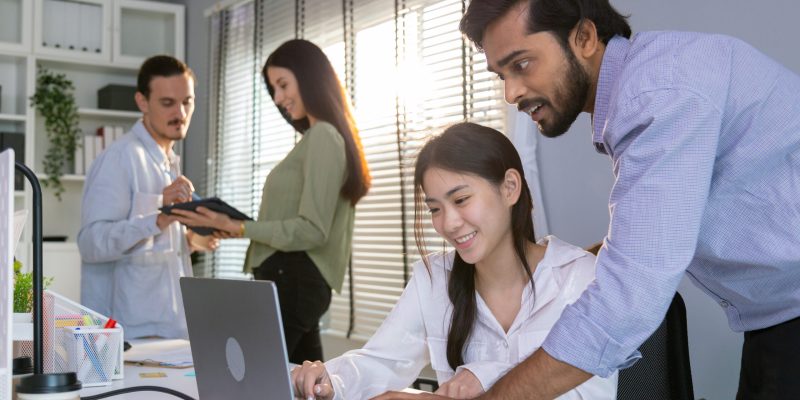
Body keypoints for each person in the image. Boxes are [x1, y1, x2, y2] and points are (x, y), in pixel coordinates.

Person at [445, 0, 800, 399]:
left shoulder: (657, 94)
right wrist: (571, 264)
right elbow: (655, 231)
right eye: (501, 75)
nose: (511, 93)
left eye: (522, 64)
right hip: (776, 318)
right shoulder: (654, 81)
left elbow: (631, 295)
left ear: (584, 38)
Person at [289, 122, 617, 400]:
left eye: (461, 200)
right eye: (435, 209)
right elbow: (381, 362)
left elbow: (588, 391)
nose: (448, 223)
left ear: (510, 188)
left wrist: (486, 376)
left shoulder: (579, 277)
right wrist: (330, 380)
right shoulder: (434, 279)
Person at [171, 39, 371, 364]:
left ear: (309, 77)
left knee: (250, 377)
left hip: (293, 277)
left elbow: (311, 230)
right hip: (293, 278)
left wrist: (238, 225)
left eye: (283, 85)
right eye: (273, 88)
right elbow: (296, 221)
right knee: (307, 386)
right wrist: (233, 228)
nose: (278, 98)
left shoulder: (323, 138)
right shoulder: (318, 139)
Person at [78, 55, 218, 340]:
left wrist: (191, 241)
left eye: (187, 102)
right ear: (142, 102)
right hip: (128, 338)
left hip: (171, 333)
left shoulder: (170, 161)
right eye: (167, 103)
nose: (180, 112)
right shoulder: (119, 159)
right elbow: (91, 244)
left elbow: (151, 248)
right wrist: (161, 216)